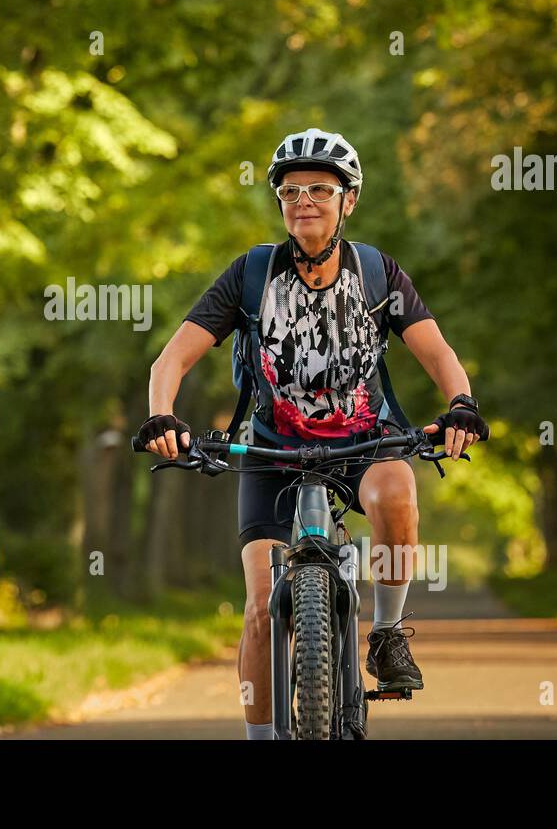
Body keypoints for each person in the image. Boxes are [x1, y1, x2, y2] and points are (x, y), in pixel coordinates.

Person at [134, 127, 488, 739]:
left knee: (397, 495)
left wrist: (461, 404)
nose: (305, 201)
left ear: (348, 200)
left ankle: (385, 634)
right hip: (270, 446)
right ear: (279, 202)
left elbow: (436, 352)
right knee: (257, 608)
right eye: (291, 190)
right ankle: (262, 739)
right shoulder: (250, 274)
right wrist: (163, 414)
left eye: (320, 190)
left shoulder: (378, 273)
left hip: (364, 439)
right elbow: (170, 360)